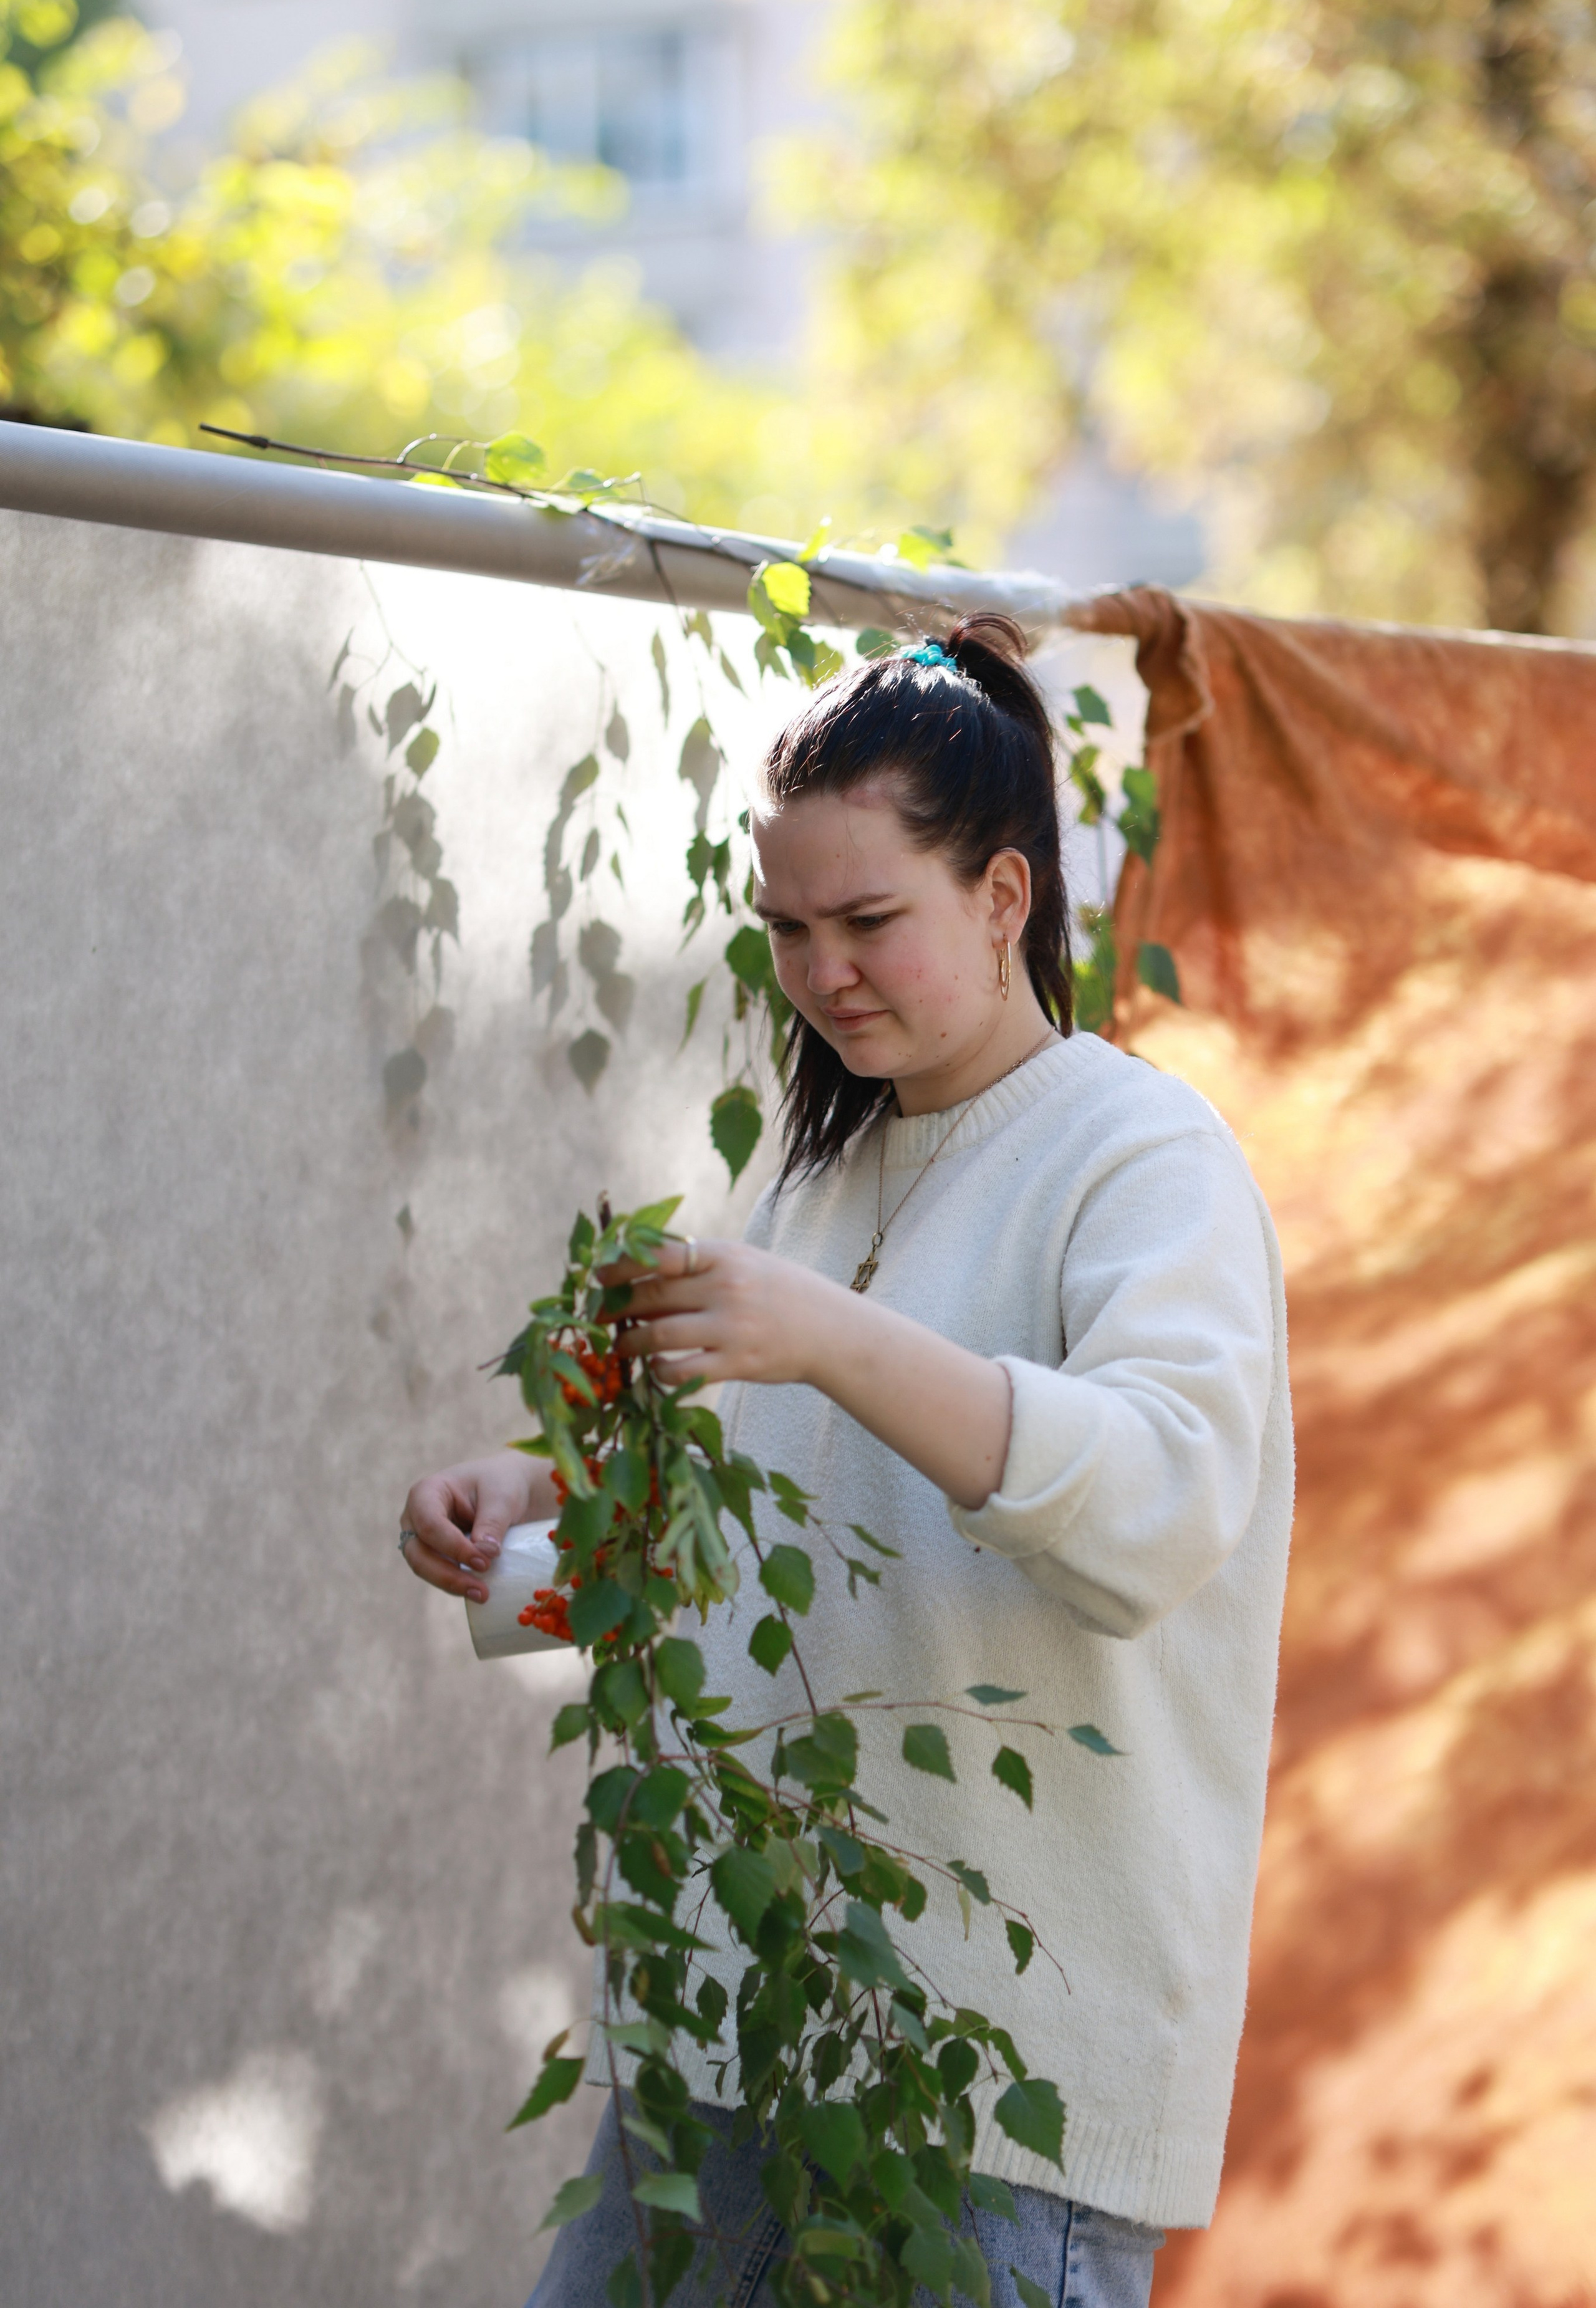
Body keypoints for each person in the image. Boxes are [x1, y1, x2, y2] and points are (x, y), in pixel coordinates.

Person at [399, 615, 1294, 2308]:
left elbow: (1163, 1508)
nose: (824, 973)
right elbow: (744, 1567)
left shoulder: (1138, 1154)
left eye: (871, 919)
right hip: (732, 2036)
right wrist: (536, 1512)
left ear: (1007, 897)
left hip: (984, 2093)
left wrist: (826, 1339)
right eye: (791, 930)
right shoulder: (820, 1184)